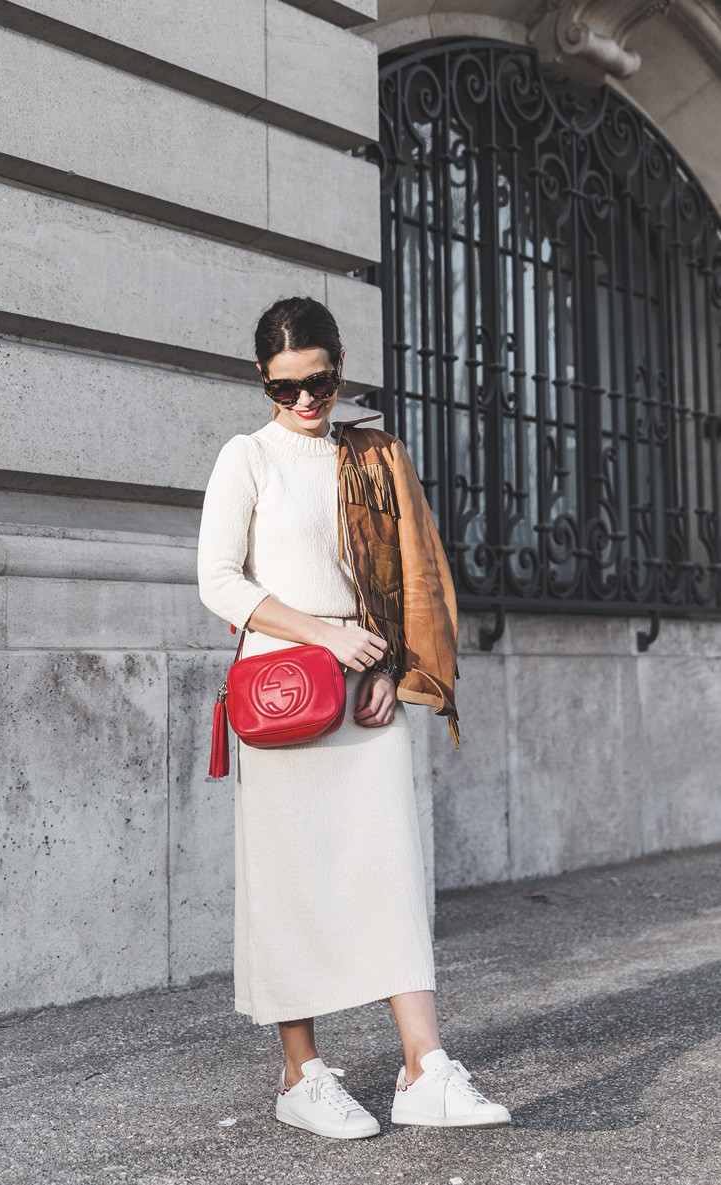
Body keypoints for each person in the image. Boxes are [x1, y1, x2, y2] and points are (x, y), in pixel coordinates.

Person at [196, 296, 511, 1139]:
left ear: (340, 366)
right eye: (284, 387)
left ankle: (424, 1067)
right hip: (289, 690)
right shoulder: (248, 458)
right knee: (291, 883)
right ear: (262, 381)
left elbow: (414, 575)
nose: (304, 401)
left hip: (369, 692)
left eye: (320, 382)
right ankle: (300, 1074)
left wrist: (397, 668)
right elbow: (218, 580)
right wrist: (330, 636)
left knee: (390, 872)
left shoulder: (373, 455)